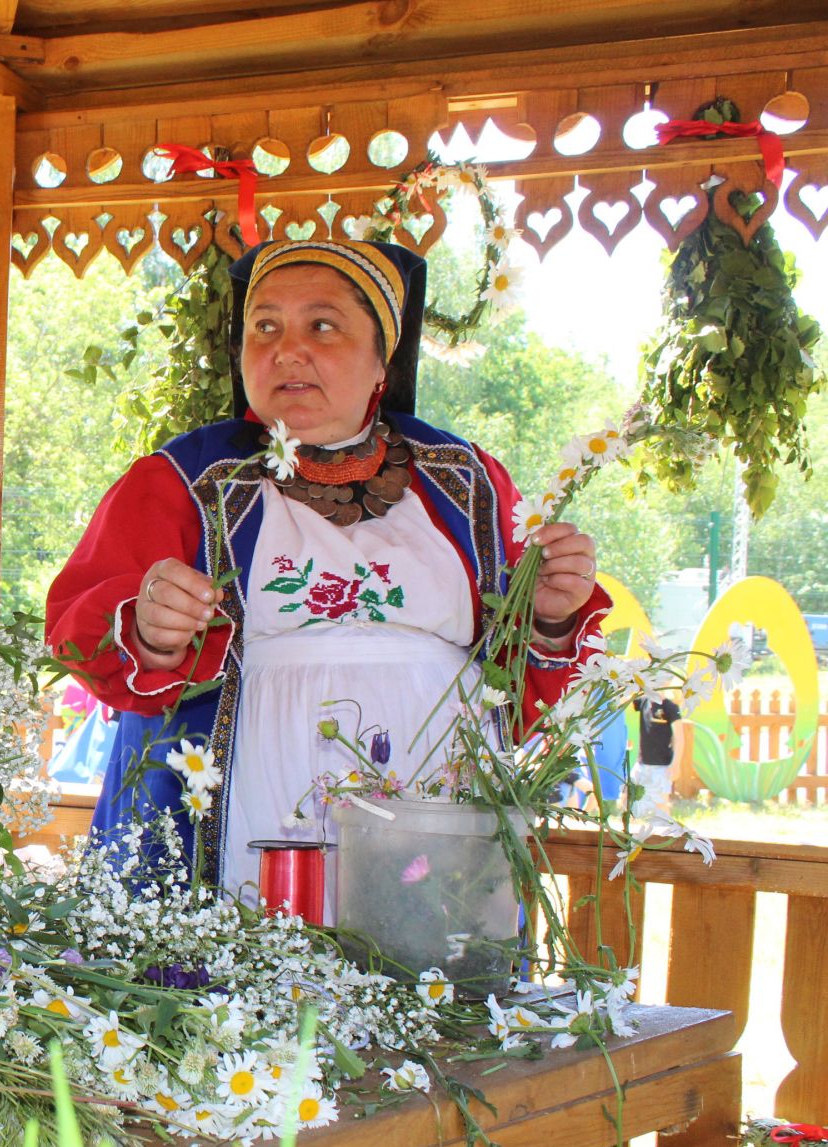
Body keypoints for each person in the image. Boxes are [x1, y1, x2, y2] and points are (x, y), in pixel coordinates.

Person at [46, 240, 609, 897]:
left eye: (322, 325)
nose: (287, 350)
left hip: (430, 833)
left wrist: (551, 612)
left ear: (382, 361)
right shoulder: (182, 480)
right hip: (236, 831)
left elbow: (518, 686)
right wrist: (148, 629)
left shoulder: (466, 482)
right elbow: (78, 632)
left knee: (416, 977)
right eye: (264, 326)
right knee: (226, 994)